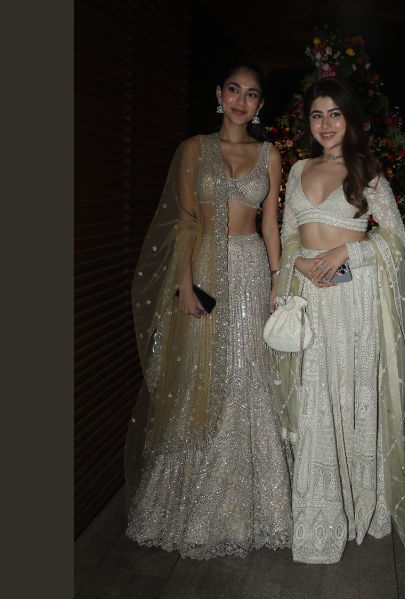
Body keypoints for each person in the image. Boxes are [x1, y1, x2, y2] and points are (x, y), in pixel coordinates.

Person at [273, 77, 405, 564]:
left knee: (351, 395)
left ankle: (360, 506)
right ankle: (319, 513)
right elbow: (288, 234)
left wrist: (347, 252)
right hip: (310, 296)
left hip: (353, 301)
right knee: (316, 399)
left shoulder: (367, 173)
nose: (326, 124)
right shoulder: (298, 169)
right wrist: (299, 261)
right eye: (317, 115)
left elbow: (397, 240)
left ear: (350, 120)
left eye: (335, 114)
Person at [124, 62, 293, 559]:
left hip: (252, 269)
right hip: (204, 272)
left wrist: (277, 284)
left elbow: (270, 225)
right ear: (219, 93)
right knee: (200, 378)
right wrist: (184, 286)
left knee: (249, 375)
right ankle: (190, 506)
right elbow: (184, 221)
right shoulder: (194, 149)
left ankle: (256, 507)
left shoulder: (271, 154)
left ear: (260, 104)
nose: (241, 101)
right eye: (234, 90)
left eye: (252, 94)